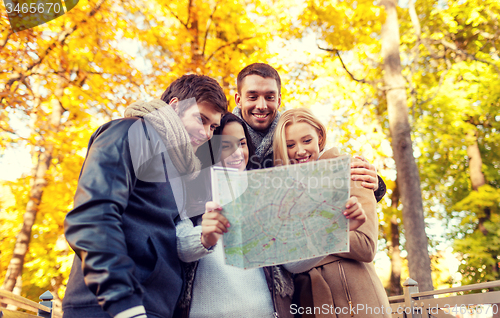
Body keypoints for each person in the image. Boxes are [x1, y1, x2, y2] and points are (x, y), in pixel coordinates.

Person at [62, 74, 227, 318]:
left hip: (153, 308)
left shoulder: (180, 171)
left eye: (213, 126)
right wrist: (123, 303)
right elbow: (92, 217)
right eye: (201, 119)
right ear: (174, 106)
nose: (206, 134)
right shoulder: (130, 132)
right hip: (110, 306)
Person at [174, 113, 367, 318]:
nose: (238, 153)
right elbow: (179, 245)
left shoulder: (262, 194)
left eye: (242, 143)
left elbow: (291, 262)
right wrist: (204, 238)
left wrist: (336, 226)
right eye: (226, 145)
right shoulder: (187, 194)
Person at [273, 108, 391, 318]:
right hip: (308, 303)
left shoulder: (351, 171)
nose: (300, 151)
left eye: (306, 140)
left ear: (319, 136)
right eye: (290, 145)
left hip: (356, 301)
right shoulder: (284, 192)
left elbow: (365, 245)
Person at [233, 63, 386, 201]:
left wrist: (374, 184)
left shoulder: (291, 132)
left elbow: (325, 172)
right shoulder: (217, 136)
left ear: (278, 101)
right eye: (252, 97)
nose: (261, 105)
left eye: (269, 97)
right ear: (238, 100)